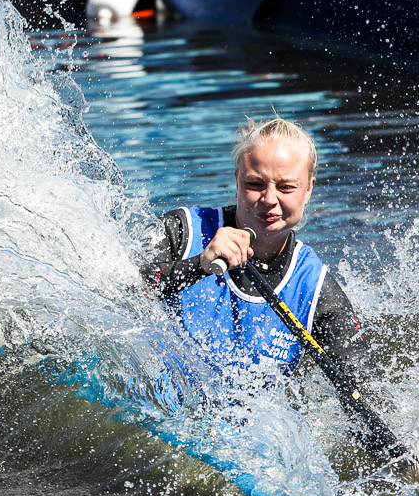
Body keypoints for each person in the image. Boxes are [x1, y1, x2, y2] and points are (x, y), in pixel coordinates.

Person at [140, 116, 371, 390]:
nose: (269, 199)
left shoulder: (315, 289)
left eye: (286, 187)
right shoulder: (181, 231)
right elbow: (125, 296)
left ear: (309, 189)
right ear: (237, 180)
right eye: (255, 184)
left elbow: (363, 390)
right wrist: (199, 265)